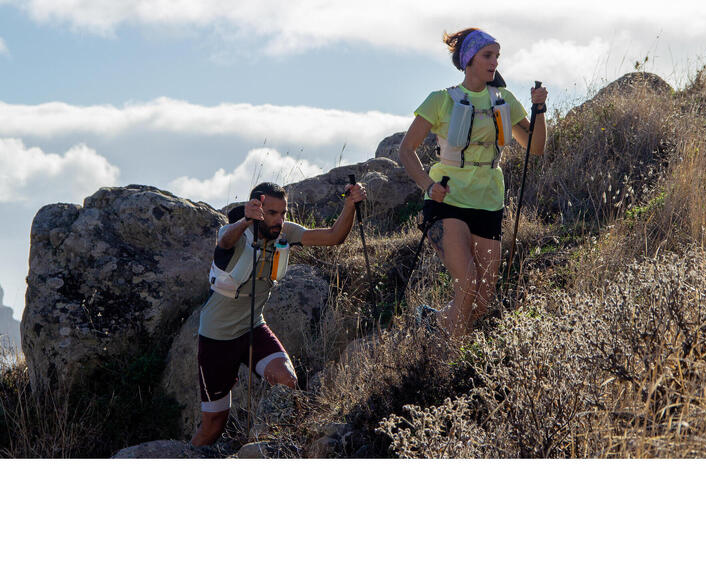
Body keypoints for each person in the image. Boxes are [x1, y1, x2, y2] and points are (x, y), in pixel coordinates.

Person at [398, 27, 548, 341]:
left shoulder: (504, 99)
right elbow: (406, 150)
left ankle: (432, 322)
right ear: (469, 60)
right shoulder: (440, 100)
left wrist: (539, 110)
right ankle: (444, 368)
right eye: (487, 55)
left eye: (497, 56)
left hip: (489, 203)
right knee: (466, 284)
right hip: (447, 201)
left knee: (481, 300)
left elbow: (535, 147)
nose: (494, 62)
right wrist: (428, 184)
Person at [191, 179, 366, 446]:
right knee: (213, 426)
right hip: (216, 337)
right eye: (272, 213)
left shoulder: (284, 234)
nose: (279, 220)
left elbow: (333, 237)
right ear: (256, 209)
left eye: (283, 213)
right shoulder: (234, 233)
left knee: (287, 381)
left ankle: (275, 445)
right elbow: (225, 242)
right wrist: (244, 222)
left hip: (252, 328)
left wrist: (350, 205)